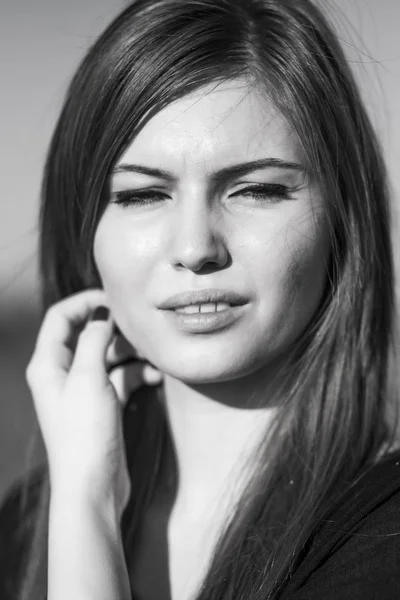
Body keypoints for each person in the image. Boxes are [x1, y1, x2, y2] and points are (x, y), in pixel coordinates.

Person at [1, 0, 400, 598]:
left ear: (342, 218)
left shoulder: (384, 541)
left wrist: (85, 519)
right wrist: (81, 500)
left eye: (257, 189)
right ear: (85, 226)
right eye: (141, 196)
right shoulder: (21, 525)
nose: (195, 248)